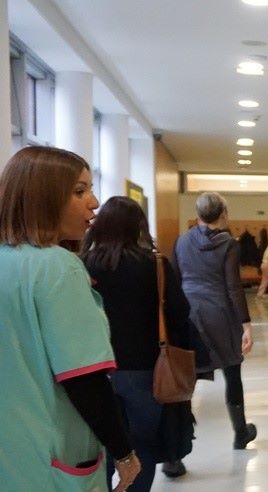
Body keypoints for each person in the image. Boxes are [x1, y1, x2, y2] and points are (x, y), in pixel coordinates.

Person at [0, 146, 141, 491]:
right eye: (79, 191)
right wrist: (124, 453)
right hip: (48, 451)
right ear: (42, 197)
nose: (94, 202)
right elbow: (84, 377)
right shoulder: (58, 268)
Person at [80, 196, 194, 489]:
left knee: (103, 447)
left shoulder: (82, 265)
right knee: (142, 446)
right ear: (138, 226)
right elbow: (180, 312)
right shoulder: (154, 265)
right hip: (145, 370)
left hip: (94, 370)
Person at [173, 192, 257, 452]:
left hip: (188, 314)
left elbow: (175, 280)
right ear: (223, 214)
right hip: (220, 315)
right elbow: (233, 287)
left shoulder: (181, 241)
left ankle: (176, 451)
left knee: (186, 380)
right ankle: (240, 433)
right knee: (232, 373)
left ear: (198, 214)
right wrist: (246, 324)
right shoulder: (228, 244)